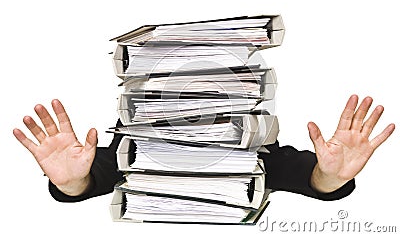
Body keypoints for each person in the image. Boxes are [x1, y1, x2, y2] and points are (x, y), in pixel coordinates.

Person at [13, 94, 395, 202]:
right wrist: (68, 183)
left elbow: (302, 175)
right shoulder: (129, 153)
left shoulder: (259, 158)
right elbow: (94, 175)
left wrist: (329, 175)